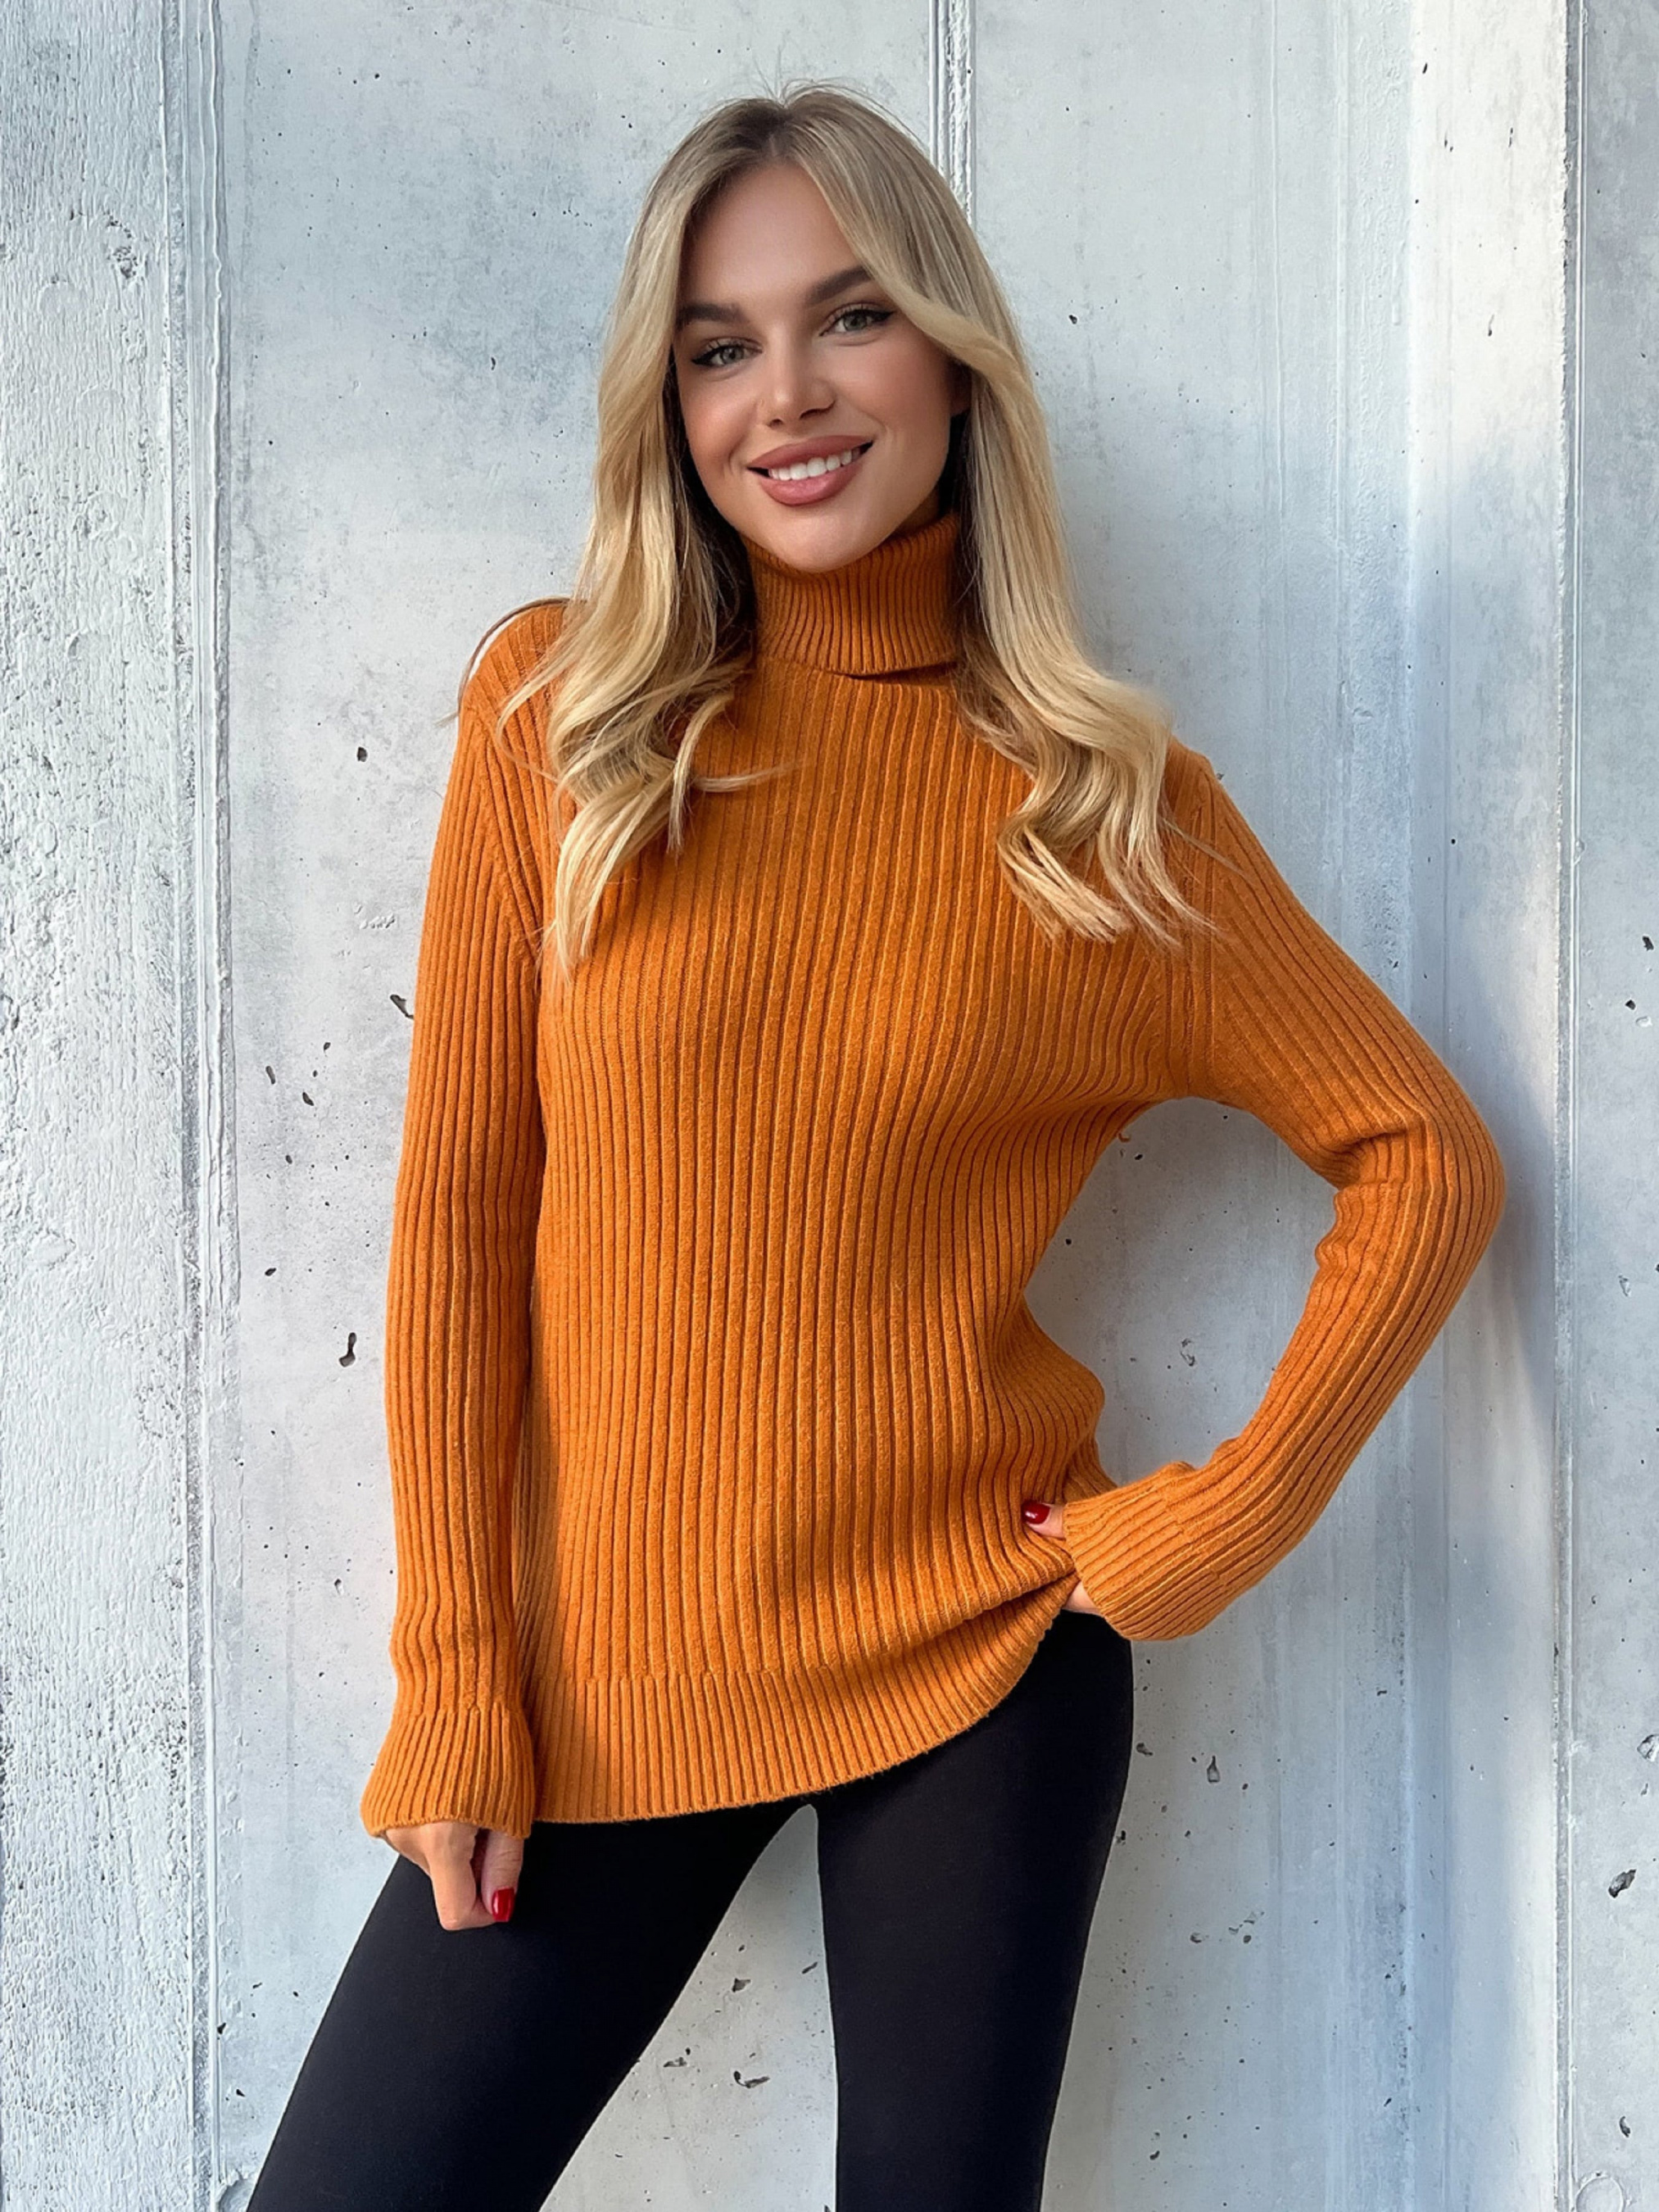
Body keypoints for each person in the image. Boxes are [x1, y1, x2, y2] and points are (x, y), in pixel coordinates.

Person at [246, 79, 1505, 2212]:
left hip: (978, 1657)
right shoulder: (561, 720)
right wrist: (454, 1673)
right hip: (603, 1675)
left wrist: (1216, 1521)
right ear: (668, 405)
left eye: (849, 317)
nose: (789, 395)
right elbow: (460, 1216)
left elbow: (1422, 1150)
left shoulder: (1103, 813)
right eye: (719, 346)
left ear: (952, 353)